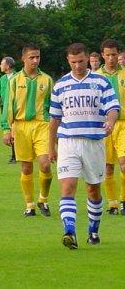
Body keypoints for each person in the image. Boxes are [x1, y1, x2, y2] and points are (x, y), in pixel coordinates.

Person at [49, 42, 119, 249]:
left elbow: (114, 107)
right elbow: (54, 119)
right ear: (68, 61)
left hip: (94, 142)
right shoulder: (60, 85)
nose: (77, 66)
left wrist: (111, 121)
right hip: (68, 142)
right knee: (67, 187)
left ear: (88, 58)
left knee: (93, 190)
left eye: (81, 61)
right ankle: (69, 232)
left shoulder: (101, 82)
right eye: (73, 62)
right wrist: (50, 146)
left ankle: (93, 230)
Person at [0, 44, 54, 217]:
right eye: (31, 57)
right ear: (23, 58)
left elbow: (53, 107)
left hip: (42, 125)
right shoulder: (15, 80)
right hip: (21, 125)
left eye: (38, 57)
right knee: (26, 168)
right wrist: (6, 129)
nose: (35, 60)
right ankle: (29, 205)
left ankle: (43, 199)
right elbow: (8, 105)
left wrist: (57, 132)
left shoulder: (47, 79)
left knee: (45, 164)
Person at [96, 39, 125, 215]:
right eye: (108, 55)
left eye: (114, 54)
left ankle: (123, 200)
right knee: (107, 166)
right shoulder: (96, 76)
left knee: (124, 164)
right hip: (103, 125)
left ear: (119, 54)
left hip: (123, 124)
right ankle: (112, 202)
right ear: (102, 55)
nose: (111, 58)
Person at [0, 56, 16, 164]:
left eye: (2, 63)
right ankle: (15, 155)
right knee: (9, 134)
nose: (0, 66)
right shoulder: (2, 79)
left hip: (16, 111)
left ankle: (15, 156)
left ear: (8, 65)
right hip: (5, 111)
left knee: (14, 133)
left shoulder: (18, 77)